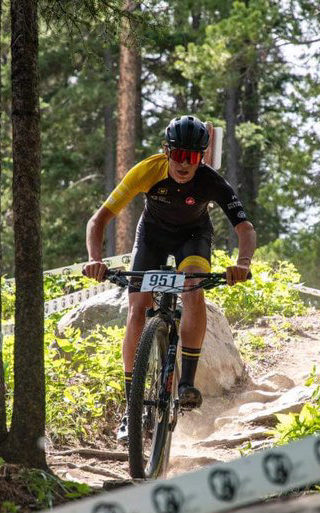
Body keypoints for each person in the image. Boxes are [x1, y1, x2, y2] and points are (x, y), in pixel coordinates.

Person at [84, 115, 256, 442]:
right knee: (137, 310)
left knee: (192, 286)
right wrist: (95, 259)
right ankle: (132, 409)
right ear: (166, 151)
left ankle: (187, 383)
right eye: (178, 155)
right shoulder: (147, 170)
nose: (183, 164)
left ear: (202, 157)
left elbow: (245, 229)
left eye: (192, 157)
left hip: (193, 238)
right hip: (151, 238)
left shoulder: (211, 181)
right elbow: (99, 220)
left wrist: (242, 263)